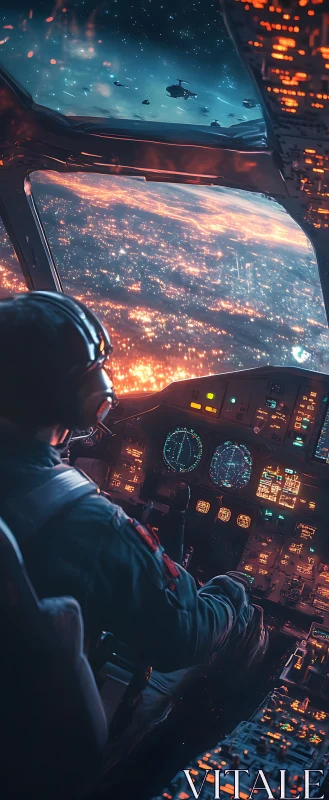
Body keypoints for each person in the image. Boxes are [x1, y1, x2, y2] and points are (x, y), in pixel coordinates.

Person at [0, 291, 267, 772]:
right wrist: (230, 592)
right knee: (244, 621)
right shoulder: (90, 525)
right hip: (34, 749)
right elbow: (182, 637)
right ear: (89, 402)